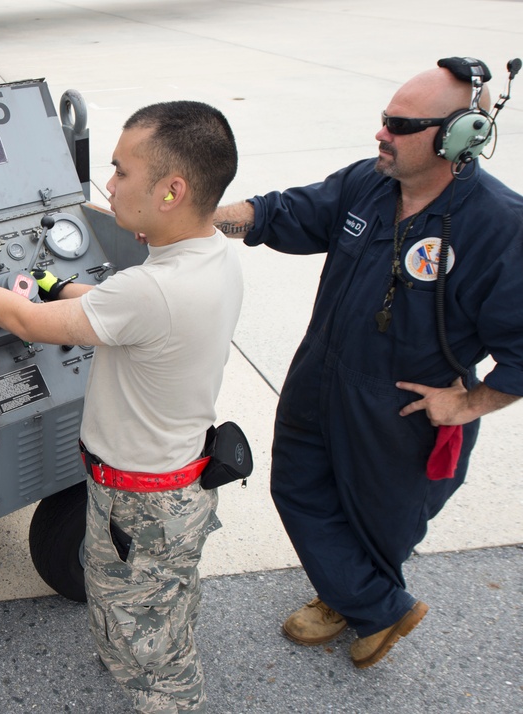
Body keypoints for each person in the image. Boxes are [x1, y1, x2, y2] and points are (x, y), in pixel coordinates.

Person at [213, 57, 523, 669]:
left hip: (403, 409)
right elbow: (287, 212)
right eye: (384, 119)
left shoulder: (500, 226)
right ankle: (370, 602)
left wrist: (469, 402)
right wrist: (201, 217)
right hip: (320, 377)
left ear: (458, 136)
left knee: (382, 520)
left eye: (399, 125)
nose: (381, 133)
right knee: (298, 486)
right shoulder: (369, 184)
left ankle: (362, 601)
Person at [0, 101, 242, 712]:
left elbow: (24, 319)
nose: (109, 186)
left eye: (122, 172)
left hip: (143, 502)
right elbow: (122, 307)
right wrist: (65, 285)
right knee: (152, 604)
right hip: (166, 487)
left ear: (171, 190)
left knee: (152, 646)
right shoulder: (208, 256)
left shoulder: (150, 289)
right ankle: (128, 657)